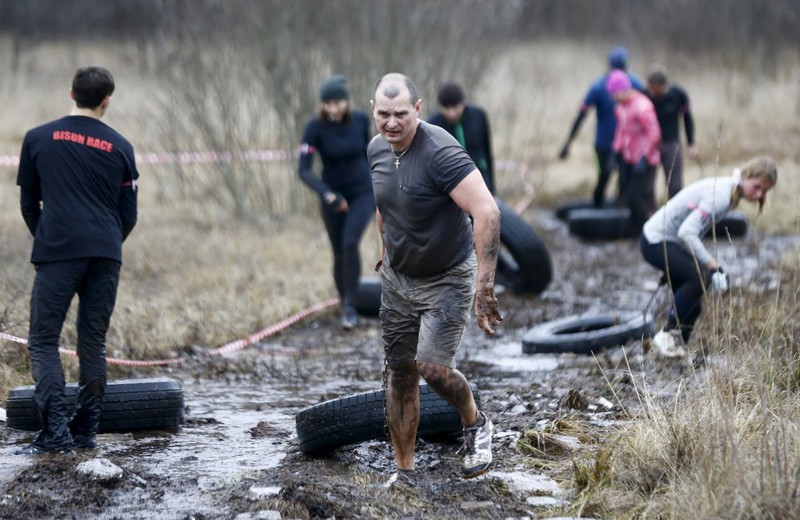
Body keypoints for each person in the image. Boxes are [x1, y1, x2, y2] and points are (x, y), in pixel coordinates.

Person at [368, 73, 502, 484]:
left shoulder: (441, 151)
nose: (392, 123)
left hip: (447, 276)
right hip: (398, 278)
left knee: (432, 368)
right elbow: (386, 203)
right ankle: (404, 471)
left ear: (419, 109)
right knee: (400, 371)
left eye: (401, 114)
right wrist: (385, 252)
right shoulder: (376, 148)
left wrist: (484, 285)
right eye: (383, 114)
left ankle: (476, 424)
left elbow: (487, 211)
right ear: (373, 111)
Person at [15, 66, 139, 454]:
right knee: (93, 343)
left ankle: (55, 433)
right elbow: (129, 212)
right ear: (106, 101)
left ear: (71, 93)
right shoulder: (121, 146)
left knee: (43, 340)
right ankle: (85, 431)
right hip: (105, 252)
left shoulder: (37, 138)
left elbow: (28, 203)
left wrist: (50, 239)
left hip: (58, 250)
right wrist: (106, 243)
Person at [641, 156, 777, 358]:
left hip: (668, 243)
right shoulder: (722, 195)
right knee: (700, 277)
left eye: (764, 191)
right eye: (756, 187)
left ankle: (676, 350)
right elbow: (687, 232)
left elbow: (691, 230)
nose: (758, 195)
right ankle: (666, 335)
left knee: (693, 306)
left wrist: (678, 261)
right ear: (747, 176)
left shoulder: (731, 193)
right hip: (655, 240)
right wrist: (712, 266)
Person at [298, 74, 375, 330]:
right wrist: (327, 194)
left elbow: (370, 153)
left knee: (350, 242)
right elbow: (304, 170)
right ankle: (346, 306)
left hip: (363, 192)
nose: (333, 109)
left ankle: (352, 307)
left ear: (346, 102)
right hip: (331, 195)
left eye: (338, 103)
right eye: (328, 104)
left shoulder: (362, 121)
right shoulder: (314, 128)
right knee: (339, 253)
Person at [559, 46, 645, 208]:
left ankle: (622, 214)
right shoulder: (598, 87)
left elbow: (649, 113)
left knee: (625, 180)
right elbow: (582, 115)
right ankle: (597, 207)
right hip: (604, 144)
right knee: (604, 176)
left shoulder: (635, 84)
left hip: (627, 145)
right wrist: (567, 144)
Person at [607, 69, 662, 231]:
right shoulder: (620, 108)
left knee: (641, 198)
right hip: (628, 158)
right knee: (628, 197)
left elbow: (655, 134)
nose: (612, 97)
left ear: (622, 90)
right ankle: (635, 231)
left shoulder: (642, 106)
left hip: (645, 160)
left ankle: (651, 231)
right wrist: (615, 152)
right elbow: (621, 132)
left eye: (614, 93)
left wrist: (645, 157)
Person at [427, 81, 496, 193]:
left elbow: (487, 150)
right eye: (446, 108)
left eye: (455, 107)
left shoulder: (478, 116)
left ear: (463, 103)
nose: (451, 113)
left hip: (482, 180)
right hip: (451, 186)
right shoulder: (432, 125)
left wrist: (492, 188)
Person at [646, 65, 698, 199]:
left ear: (665, 85)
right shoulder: (644, 95)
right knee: (647, 184)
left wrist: (691, 143)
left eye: (657, 91)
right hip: (649, 144)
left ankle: (675, 209)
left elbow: (687, 119)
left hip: (671, 142)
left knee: (675, 184)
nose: (654, 93)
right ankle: (649, 212)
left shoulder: (679, 94)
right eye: (652, 90)